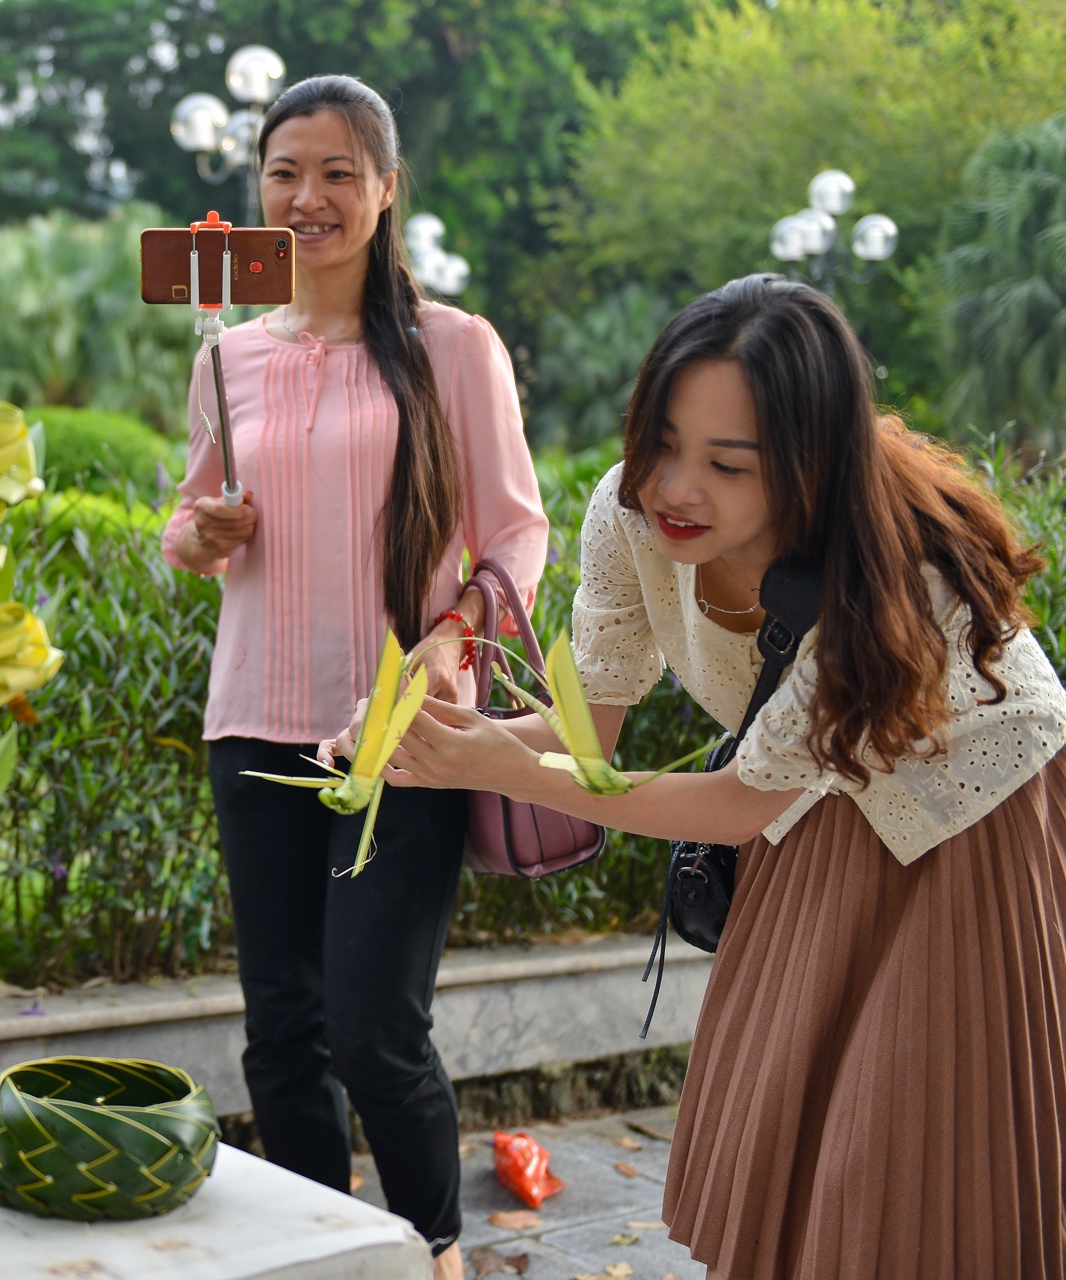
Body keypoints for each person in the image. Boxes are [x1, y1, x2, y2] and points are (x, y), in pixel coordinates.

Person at [364, 274, 1066, 1278]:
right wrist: (442, 728)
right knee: (784, 1111)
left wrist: (499, 766)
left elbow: (740, 804)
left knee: (909, 1138)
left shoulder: (894, 569)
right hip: (809, 795)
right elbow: (589, 735)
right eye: (662, 443)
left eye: (727, 464)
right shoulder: (627, 512)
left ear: (810, 469)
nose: (676, 488)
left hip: (969, 817)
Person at [161, 75, 548, 1274]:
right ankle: (320, 1250)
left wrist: (455, 635)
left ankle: (431, 1246)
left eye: (337, 172)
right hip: (254, 721)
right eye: (285, 172)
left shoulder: (454, 346)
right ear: (258, 191)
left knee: (376, 1022)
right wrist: (197, 535)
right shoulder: (230, 350)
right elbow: (187, 515)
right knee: (283, 1026)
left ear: (386, 190)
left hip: (406, 728)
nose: (308, 196)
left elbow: (519, 530)